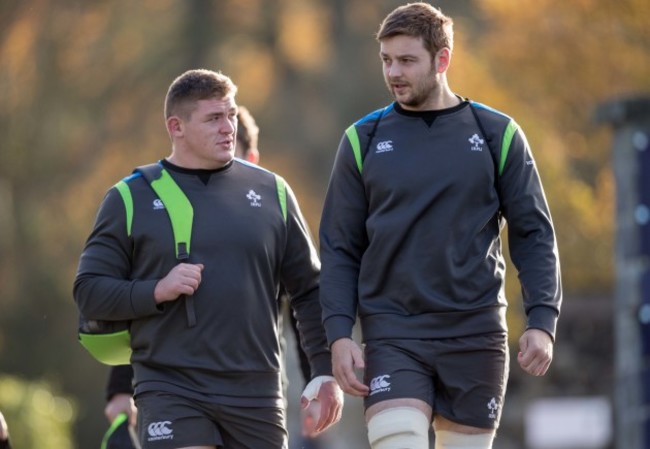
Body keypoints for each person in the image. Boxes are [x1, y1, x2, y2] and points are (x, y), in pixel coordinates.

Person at [318, 3, 562, 449]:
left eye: (407, 60)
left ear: (442, 59)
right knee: (398, 439)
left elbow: (533, 233)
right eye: (387, 60)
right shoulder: (362, 140)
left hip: (477, 332)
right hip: (393, 332)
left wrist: (542, 319)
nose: (393, 72)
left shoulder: (498, 134)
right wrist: (338, 333)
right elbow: (338, 247)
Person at [75, 69, 343, 449]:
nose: (228, 127)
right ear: (176, 126)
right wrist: (157, 290)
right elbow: (89, 292)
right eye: (214, 118)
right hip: (170, 386)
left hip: (258, 392)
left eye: (231, 115)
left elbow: (310, 291)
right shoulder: (129, 198)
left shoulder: (274, 193)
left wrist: (323, 371)